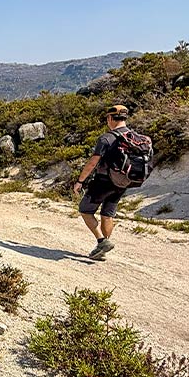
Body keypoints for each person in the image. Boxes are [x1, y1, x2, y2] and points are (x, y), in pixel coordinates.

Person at [73, 104, 133, 260]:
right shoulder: (134, 137)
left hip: (103, 181)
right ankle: (103, 250)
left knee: (85, 210)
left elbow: (93, 162)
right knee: (107, 214)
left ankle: (101, 241)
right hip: (122, 182)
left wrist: (80, 181)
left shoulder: (106, 138)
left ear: (110, 118)